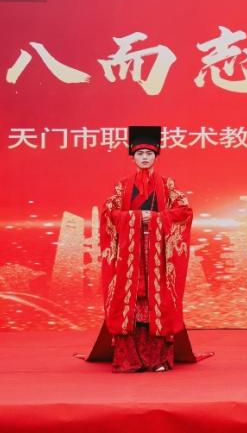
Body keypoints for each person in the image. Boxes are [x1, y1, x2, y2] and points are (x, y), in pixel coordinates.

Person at [100, 126, 194, 372]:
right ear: (133, 157)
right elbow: (108, 213)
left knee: (157, 299)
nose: (144, 157)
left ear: (156, 156)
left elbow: (184, 210)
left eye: (149, 154)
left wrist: (153, 219)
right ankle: (129, 359)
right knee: (130, 300)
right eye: (140, 153)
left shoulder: (167, 185)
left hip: (158, 252)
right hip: (129, 254)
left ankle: (158, 359)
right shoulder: (122, 187)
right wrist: (133, 218)